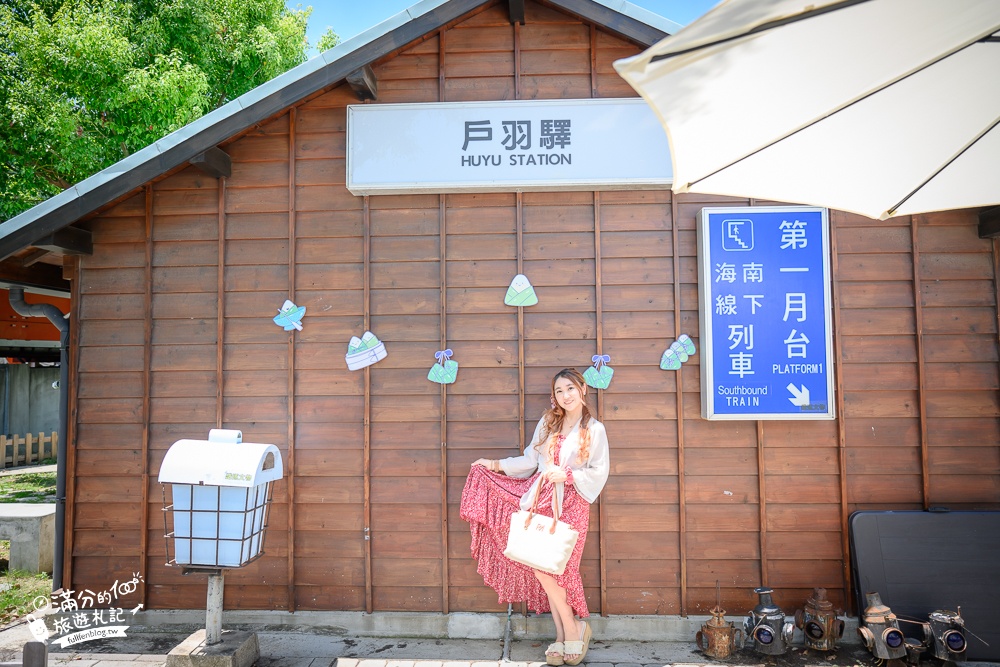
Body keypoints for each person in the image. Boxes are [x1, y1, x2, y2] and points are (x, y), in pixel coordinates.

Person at [461, 368, 611, 666]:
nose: (565, 395)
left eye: (570, 388)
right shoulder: (549, 423)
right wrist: (493, 464)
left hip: (573, 503)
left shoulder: (594, 429)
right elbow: (530, 460)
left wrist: (567, 474)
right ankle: (566, 632)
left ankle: (570, 629)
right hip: (540, 499)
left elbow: (599, 471)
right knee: (541, 565)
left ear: (583, 389)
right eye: (559, 391)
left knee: (556, 568)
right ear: (553, 396)